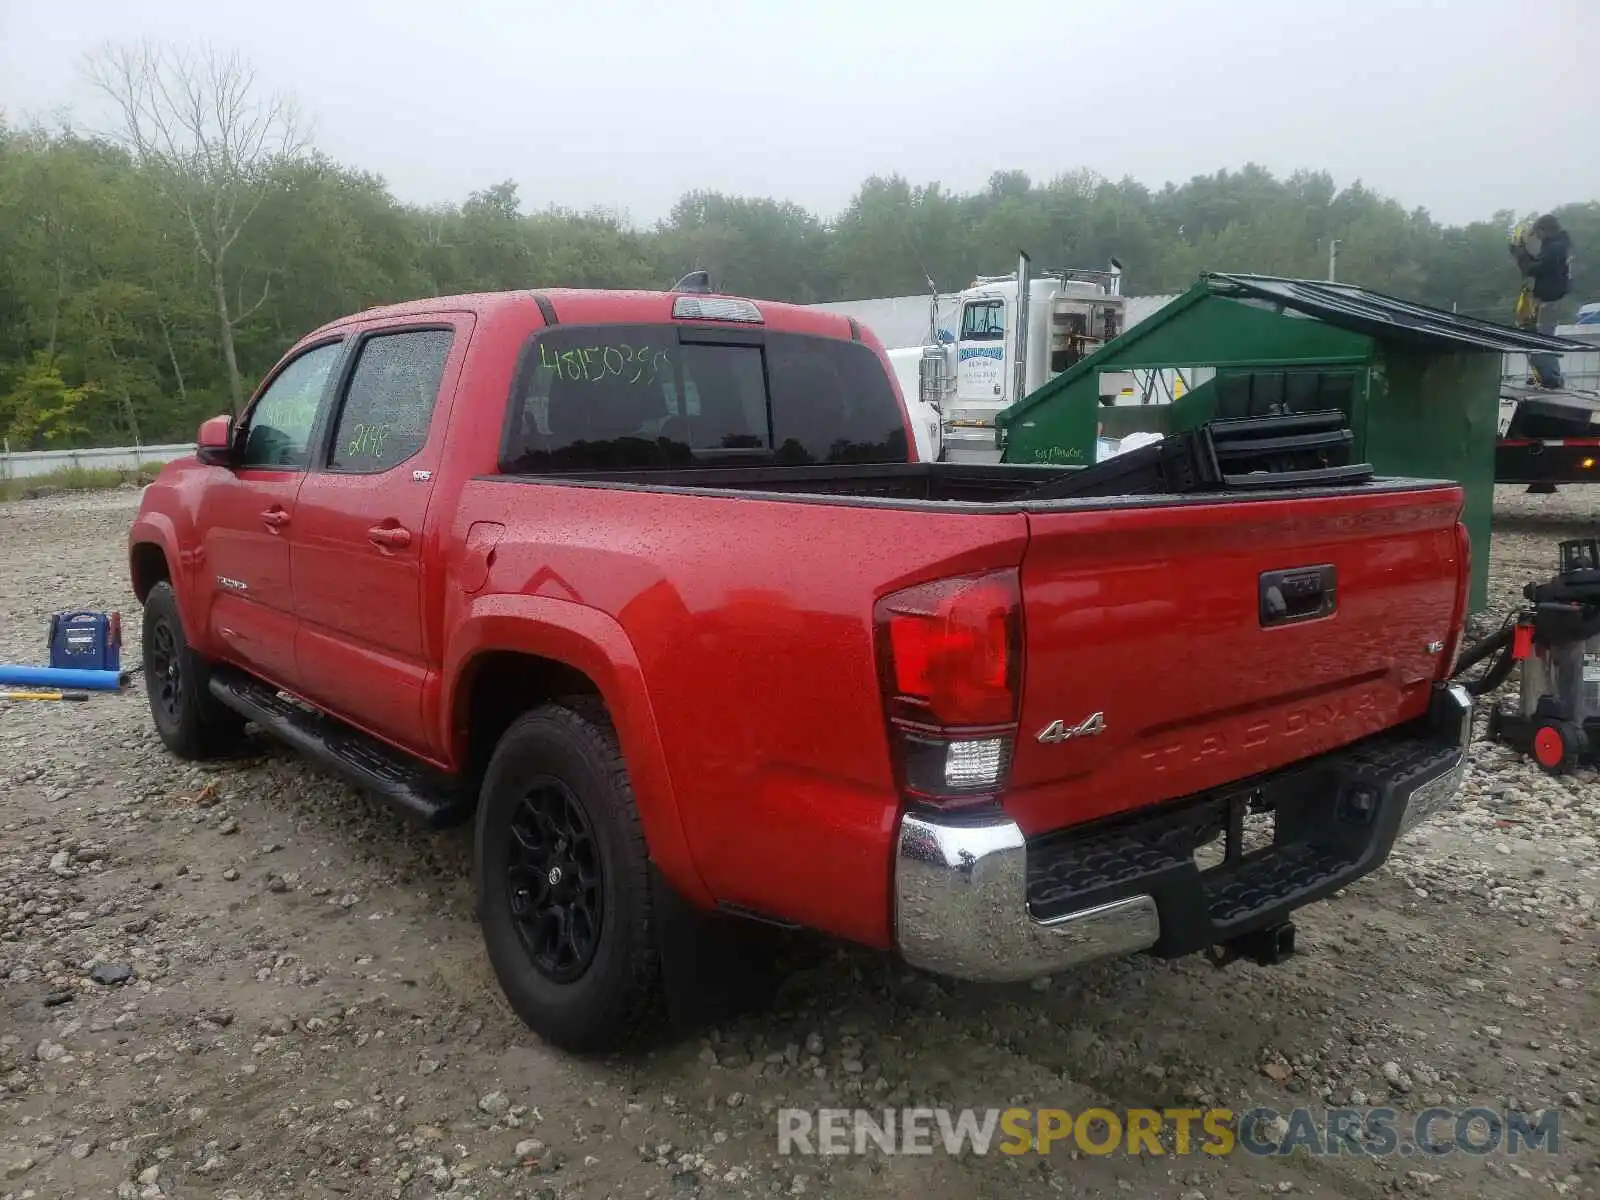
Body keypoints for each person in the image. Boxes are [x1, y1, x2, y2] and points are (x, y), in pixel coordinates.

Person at [1510, 214, 1572, 388]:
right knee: (1537, 337)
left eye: (1538, 234)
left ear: (1545, 230)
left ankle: (1551, 380)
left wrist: (1520, 253)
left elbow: (1532, 269)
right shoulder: (1557, 247)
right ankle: (1548, 378)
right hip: (1550, 299)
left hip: (1549, 300)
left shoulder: (1555, 249)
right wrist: (1521, 253)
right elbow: (1537, 265)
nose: (1537, 238)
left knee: (1542, 340)